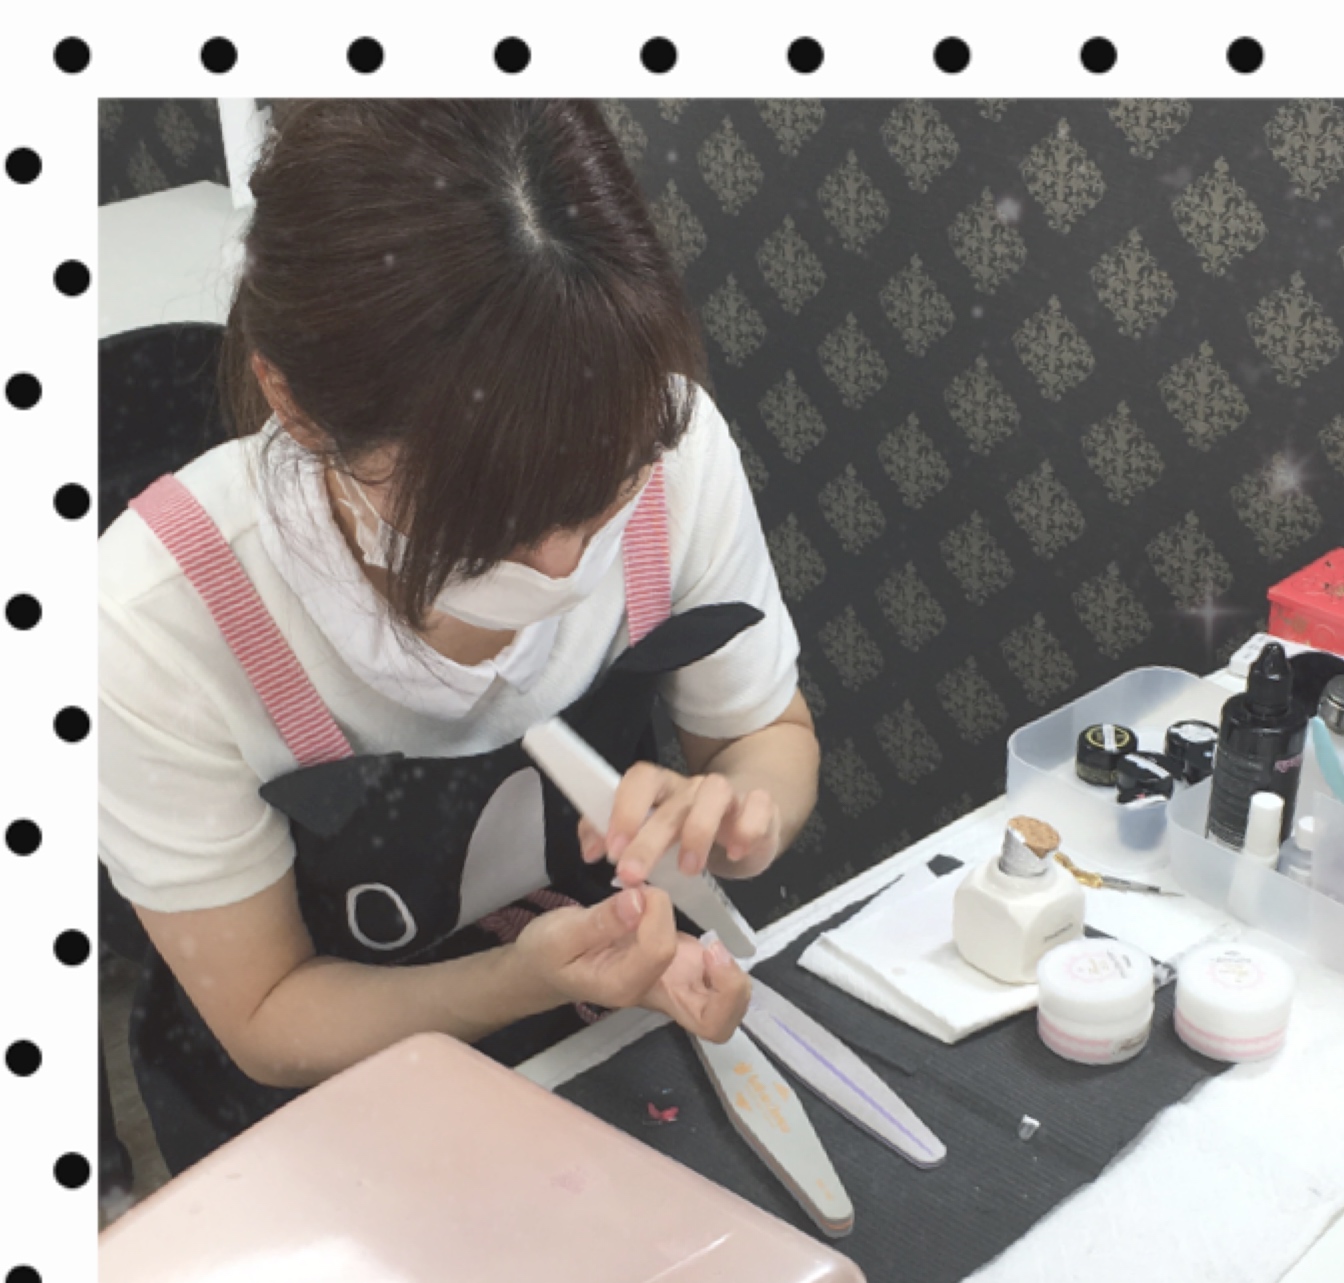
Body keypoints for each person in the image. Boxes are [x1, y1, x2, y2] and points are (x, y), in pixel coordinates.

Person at [98, 99, 819, 1176]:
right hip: (321, 1111)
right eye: (492, 519)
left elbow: (766, 736)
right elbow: (265, 1012)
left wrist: (743, 812)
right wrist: (523, 979)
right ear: (293, 403)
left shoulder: (672, 444)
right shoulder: (154, 623)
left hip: (611, 1033)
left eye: (604, 489)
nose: (564, 563)